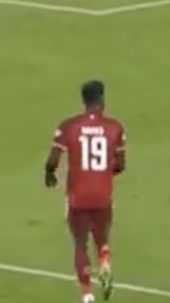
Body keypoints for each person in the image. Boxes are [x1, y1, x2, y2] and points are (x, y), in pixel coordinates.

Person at [45, 80, 126, 303]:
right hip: (103, 196)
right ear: (101, 99)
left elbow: (53, 160)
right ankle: (105, 261)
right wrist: (103, 173)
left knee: (80, 244)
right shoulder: (114, 127)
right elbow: (120, 165)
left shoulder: (69, 126)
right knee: (102, 239)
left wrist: (49, 173)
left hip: (78, 197)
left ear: (84, 100)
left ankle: (87, 295)